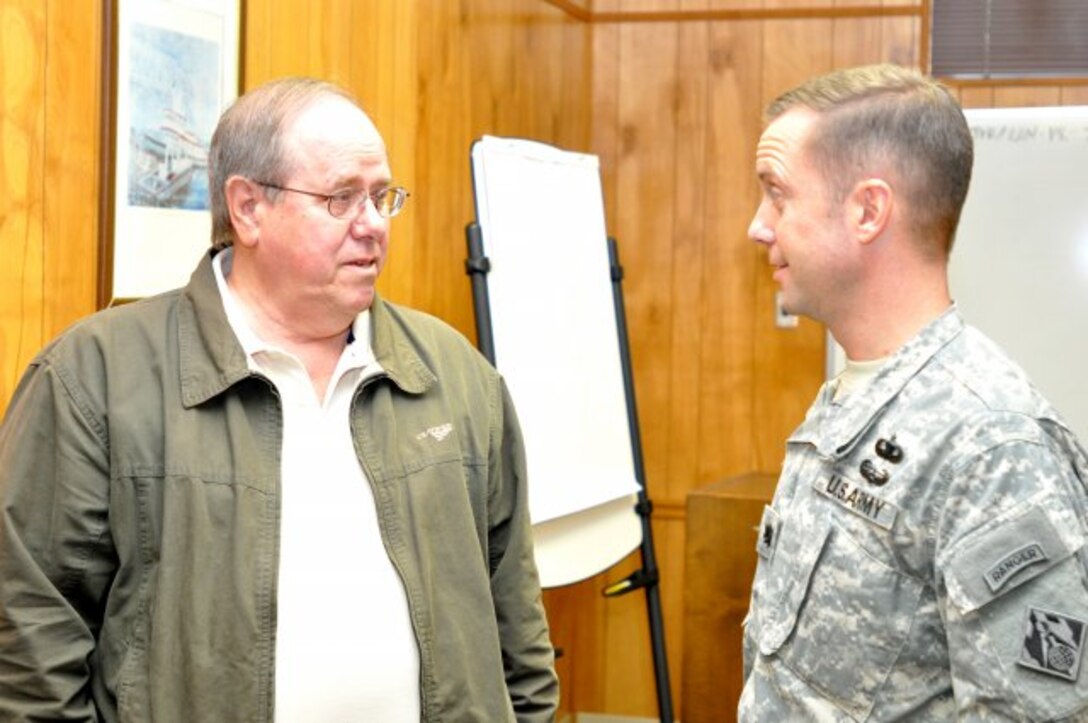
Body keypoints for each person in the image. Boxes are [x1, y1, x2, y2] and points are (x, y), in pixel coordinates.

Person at [0, 77, 558, 722]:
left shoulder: (455, 373)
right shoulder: (92, 376)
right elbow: (29, 632)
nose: (373, 225)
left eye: (381, 197)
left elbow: (513, 610)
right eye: (341, 198)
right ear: (248, 208)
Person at [740, 64, 1088, 720]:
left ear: (868, 210)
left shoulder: (991, 445)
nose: (758, 226)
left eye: (777, 194)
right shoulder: (850, 394)